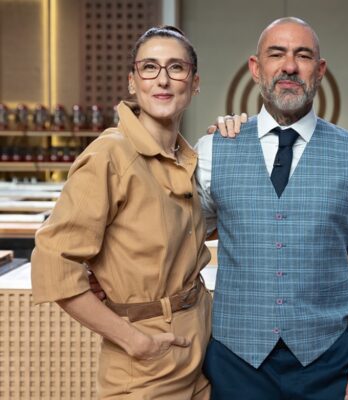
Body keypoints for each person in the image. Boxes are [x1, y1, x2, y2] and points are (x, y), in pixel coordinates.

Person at [195, 17, 348, 400]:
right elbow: (177, 239)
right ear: (256, 68)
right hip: (235, 363)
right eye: (277, 54)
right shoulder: (211, 151)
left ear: (319, 71)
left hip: (329, 362)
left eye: (303, 56)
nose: (289, 66)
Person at [31, 26, 213, 399]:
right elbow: (53, 264)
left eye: (176, 68)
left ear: (194, 83)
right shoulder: (110, 155)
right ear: (133, 82)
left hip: (202, 349)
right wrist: (134, 341)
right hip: (146, 363)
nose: (163, 79)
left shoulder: (186, 157)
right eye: (149, 67)